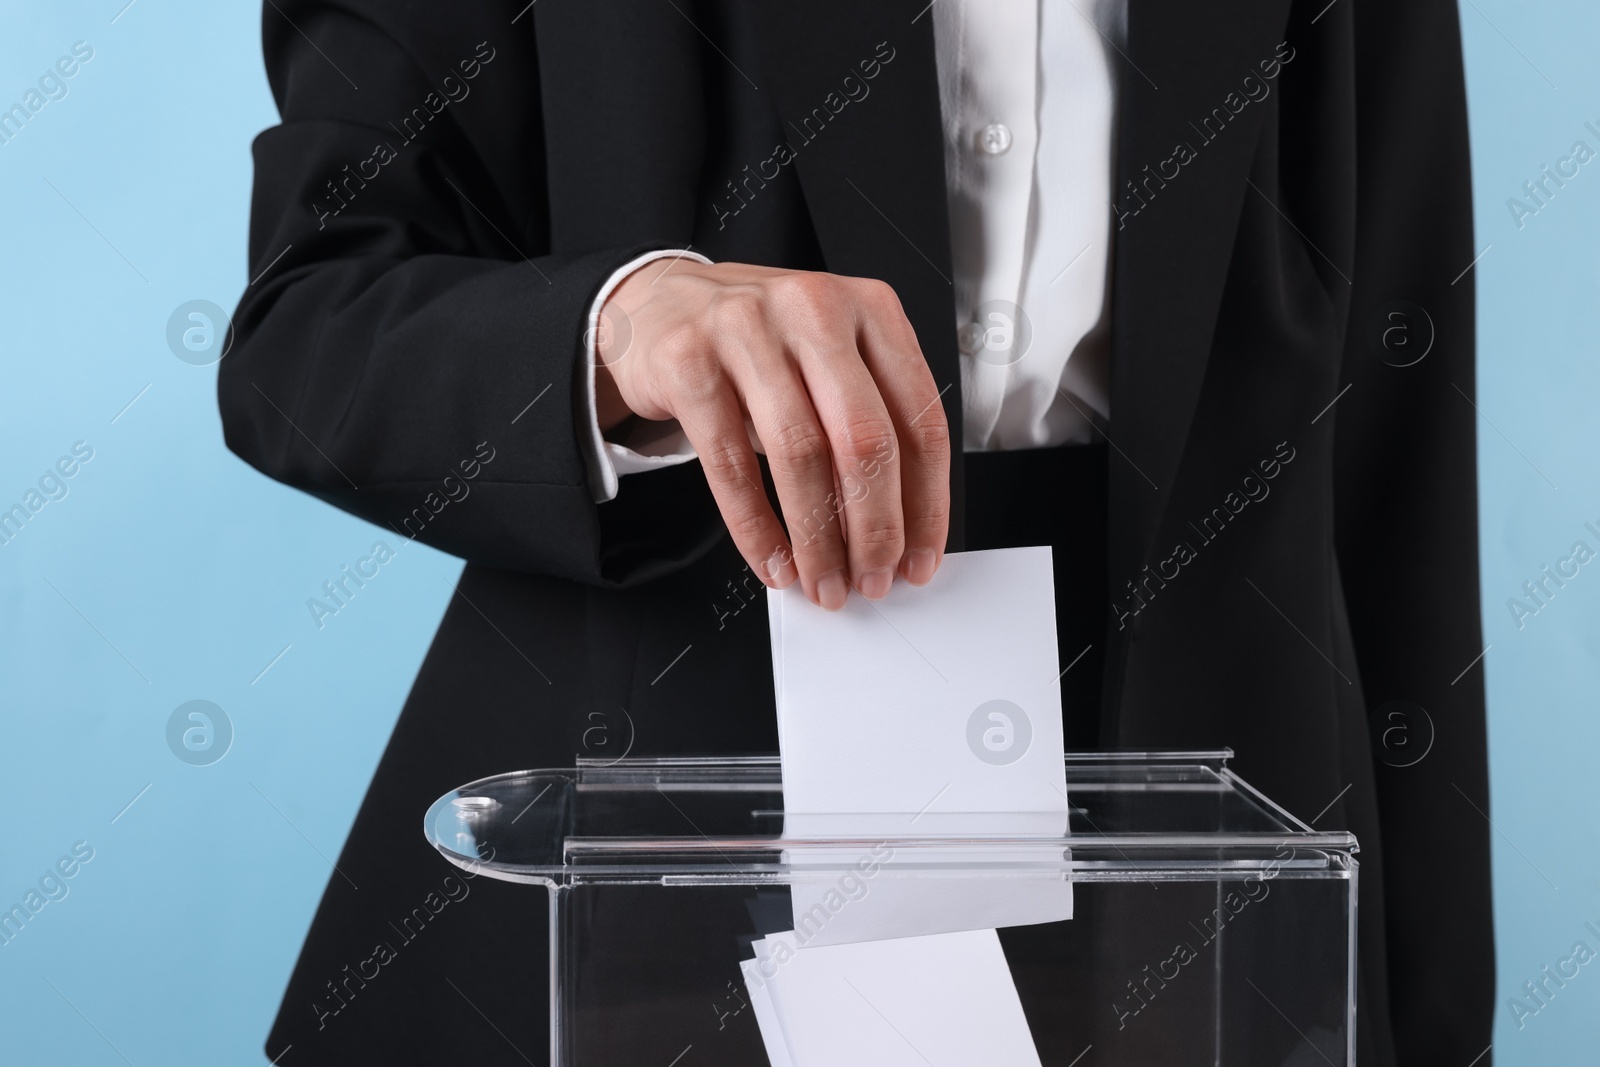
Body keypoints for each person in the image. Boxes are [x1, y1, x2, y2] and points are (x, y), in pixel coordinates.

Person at [221, 1, 1492, 1063]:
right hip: (663, 797)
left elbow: (1395, 427)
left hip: (1224, 817)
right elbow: (308, 322)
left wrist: (1434, 1011)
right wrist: (616, 328)